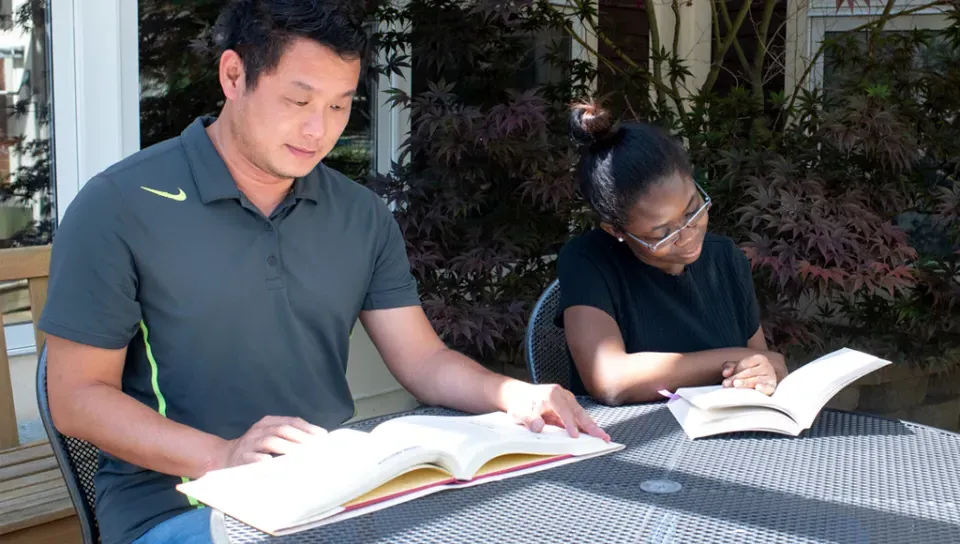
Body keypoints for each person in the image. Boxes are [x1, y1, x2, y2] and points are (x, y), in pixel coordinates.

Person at [39, 3, 608, 543]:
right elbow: (77, 397)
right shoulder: (119, 205)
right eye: (298, 100)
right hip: (178, 506)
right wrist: (225, 454)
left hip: (333, 492)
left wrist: (514, 394)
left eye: (340, 105)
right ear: (234, 76)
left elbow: (423, 359)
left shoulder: (358, 214)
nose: (320, 130)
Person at [555, 102, 788, 407]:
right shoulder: (588, 260)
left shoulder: (725, 259)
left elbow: (758, 362)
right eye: (663, 232)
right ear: (617, 231)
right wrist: (733, 359)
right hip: (629, 438)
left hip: (724, 438)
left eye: (693, 210)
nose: (689, 235)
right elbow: (609, 379)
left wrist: (766, 370)